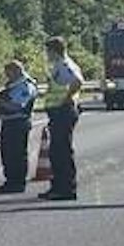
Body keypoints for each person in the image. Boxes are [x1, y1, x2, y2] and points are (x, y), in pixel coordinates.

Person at [41, 35, 84, 201]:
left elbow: (78, 81)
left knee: (62, 152)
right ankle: (57, 186)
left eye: (48, 51)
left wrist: (67, 98)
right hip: (59, 112)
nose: (47, 54)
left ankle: (66, 189)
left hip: (64, 112)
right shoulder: (59, 64)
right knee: (56, 152)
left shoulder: (64, 64)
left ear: (54, 50)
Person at [0, 60, 40, 193]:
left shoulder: (25, 86)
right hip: (9, 122)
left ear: (17, 71)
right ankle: (10, 181)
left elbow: (18, 105)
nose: (7, 76)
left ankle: (17, 183)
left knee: (17, 154)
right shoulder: (13, 85)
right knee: (7, 153)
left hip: (18, 122)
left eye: (9, 73)